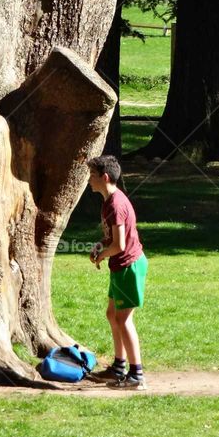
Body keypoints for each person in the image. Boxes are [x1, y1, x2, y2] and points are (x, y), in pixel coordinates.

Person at [86, 155, 148, 390]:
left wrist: (103, 254)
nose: (89, 180)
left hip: (128, 266)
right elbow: (112, 238)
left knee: (123, 319)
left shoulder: (115, 204)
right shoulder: (108, 200)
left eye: (92, 176)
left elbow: (120, 245)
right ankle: (119, 367)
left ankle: (136, 375)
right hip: (120, 266)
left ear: (104, 177)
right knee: (112, 315)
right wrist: (101, 245)